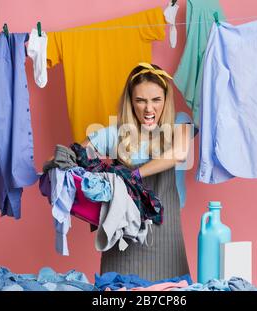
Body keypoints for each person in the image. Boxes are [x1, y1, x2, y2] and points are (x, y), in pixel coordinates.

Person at [82, 63, 196, 281]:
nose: (148, 109)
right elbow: (75, 155)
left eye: (156, 100)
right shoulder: (116, 135)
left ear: (166, 99)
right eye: (140, 100)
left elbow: (179, 153)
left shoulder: (180, 123)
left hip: (167, 242)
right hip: (122, 245)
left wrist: (134, 176)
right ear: (130, 102)